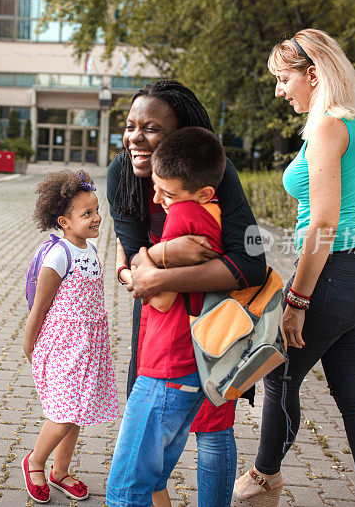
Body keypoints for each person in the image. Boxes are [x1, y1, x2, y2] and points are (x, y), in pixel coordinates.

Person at [231, 29, 355, 507]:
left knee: (278, 372)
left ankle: (264, 480)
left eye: (284, 79)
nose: (280, 90)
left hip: (340, 274)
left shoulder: (328, 126)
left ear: (313, 74)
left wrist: (298, 301)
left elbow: (323, 223)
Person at [107, 79, 266, 506]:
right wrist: (162, 256)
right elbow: (130, 262)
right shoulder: (121, 173)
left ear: (181, 136)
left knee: (213, 426)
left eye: (152, 128)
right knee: (146, 422)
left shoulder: (216, 174)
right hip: (160, 326)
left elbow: (251, 262)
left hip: (217, 324)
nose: (136, 138)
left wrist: (159, 275)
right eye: (130, 126)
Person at [107, 126, 228, 507]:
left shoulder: (183, 216)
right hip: (191, 368)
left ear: (200, 191)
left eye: (167, 192)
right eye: (156, 187)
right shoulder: (213, 211)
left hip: (165, 367)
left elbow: (158, 300)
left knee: (126, 491)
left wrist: (139, 257)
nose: (157, 199)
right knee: (153, 477)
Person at [21, 170, 119, 503]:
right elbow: (40, 306)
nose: (96, 218)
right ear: (64, 221)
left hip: (89, 346)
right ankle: (35, 461)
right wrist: (29, 341)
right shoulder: (58, 254)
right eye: (86, 213)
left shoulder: (90, 249)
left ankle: (60, 471)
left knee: (76, 412)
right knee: (65, 411)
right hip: (62, 345)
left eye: (96, 210)